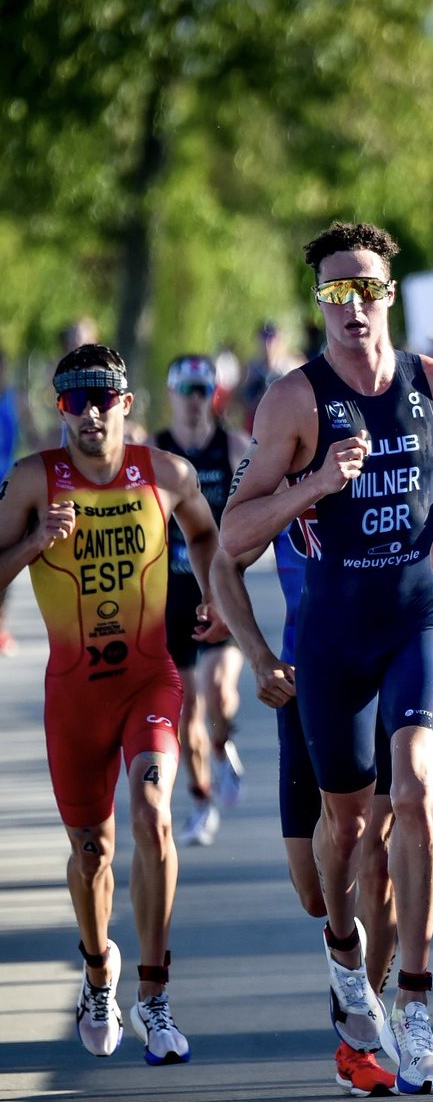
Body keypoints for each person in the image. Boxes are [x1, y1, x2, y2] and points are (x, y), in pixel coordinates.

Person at [219, 220, 433, 1096]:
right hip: (330, 638)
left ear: (390, 295)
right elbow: (235, 535)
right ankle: (343, 954)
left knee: (414, 789)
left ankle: (413, 1003)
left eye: (366, 287)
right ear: (319, 302)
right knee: (348, 832)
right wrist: (317, 484)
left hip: (413, 618)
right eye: (335, 291)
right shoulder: (295, 402)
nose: (353, 305)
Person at [0, 343, 226, 1064]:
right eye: (75, 398)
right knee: (91, 852)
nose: (91, 411)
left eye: (104, 397)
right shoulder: (35, 480)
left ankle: (154, 996)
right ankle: (100, 971)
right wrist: (35, 540)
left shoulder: (165, 473)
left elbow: (204, 531)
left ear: (127, 404)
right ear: (58, 407)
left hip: (147, 681)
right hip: (74, 699)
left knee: (154, 814)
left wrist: (215, 596)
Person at [211, 525, 399, 1096]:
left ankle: (359, 1040)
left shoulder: (400, 443)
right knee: (316, 891)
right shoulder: (279, 465)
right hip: (304, 681)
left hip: (386, 676)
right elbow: (225, 562)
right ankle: (350, 984)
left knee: (376, 856)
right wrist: (259, 656)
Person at [153, 355, 250, 846]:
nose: (193, 399)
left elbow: (255, 508)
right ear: (171, 394)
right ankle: (201, 800)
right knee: (187, 710)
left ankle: (224, 742)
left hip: (221, 587)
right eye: (185, 389)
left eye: (202, 389)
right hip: (171, 597)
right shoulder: (155, 453)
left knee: (221, 695)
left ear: (213, 394)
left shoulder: (231, 447)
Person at [0, 349, 22, 655]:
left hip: (8, 491)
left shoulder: (12, 402)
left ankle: (1, 625)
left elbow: (27, 434)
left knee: (7, 556)